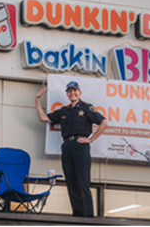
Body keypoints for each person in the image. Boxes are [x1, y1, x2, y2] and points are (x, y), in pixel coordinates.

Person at [35, 81, 108, 217]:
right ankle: (78, 217)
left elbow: (104, 123)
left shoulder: (86, 108)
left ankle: (87, 219)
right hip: (67, 147)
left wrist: (91, 139)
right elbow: (43, 117)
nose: (72, 93)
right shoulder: (64, 111)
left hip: (81, 147)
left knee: (82, 182)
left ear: (79, 93)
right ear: (67, 94)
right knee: (71, 183)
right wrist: (37, 99)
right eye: (69, 91)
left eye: (75, 91)